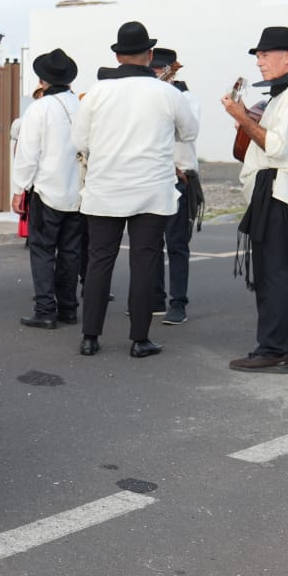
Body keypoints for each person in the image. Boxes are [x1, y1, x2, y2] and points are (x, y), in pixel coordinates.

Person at [73, 21, 197, 358]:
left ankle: (90, 336)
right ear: (150, 55)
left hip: (104, 188)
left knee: (99, 261)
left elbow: (79, 141)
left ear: (116, 55)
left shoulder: (96, 93)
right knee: (145, 262)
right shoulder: (169, 93)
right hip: (151, 189)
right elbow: (189, 133)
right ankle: (139, 339)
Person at [222, 26, 288, 373]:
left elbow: (277, 146)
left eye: (264, 55)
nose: (259, 61)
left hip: (280, 188)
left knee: (274, 273)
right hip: (281, 188)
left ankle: (272, 349)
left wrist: (241, 118)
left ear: (287, 56)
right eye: (257, 55)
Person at [12, 48, 84, 329]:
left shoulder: (39, 108)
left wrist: (20, 188)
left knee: (42, 250)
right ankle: (68, 308)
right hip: (77, 190)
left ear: (42, 80)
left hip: (46, 189)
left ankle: (45, 309)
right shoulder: (81, 105)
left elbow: (28, 153)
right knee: (71, 251)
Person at [150, 47, 202, 326]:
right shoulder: (148, 96)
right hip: (153, 176)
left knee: (177, 245)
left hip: (180, 177)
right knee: (150, 243)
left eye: (159, 69)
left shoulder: (187, 99)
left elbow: (184, 131)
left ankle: (178, 303)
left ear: (170, 70)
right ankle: (156, 297)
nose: (154, 74)